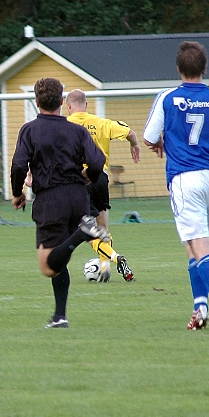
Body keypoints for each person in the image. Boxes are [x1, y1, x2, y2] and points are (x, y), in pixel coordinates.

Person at [144, 41, 209, 331]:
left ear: (178, 69)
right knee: (192, 245)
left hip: (186, 178)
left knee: (199, 245)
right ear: (204, 68)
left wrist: (161, 142)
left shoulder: (168, 98)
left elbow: (149, 138)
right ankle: (200, 309)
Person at [11, 78, 110, 328]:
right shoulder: (77, 130)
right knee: (59, 254)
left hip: (50, 199)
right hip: (78, 197)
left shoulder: (30, 130)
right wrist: (86, 177)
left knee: (47, 266)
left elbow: (19, 165)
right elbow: (98, 161)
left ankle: (82, 234)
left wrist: (17, 192)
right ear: (62, 101)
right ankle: (60, 316)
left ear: (36, 101)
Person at [65, 89, 139, 282]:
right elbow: (130, 132)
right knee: (103, 227)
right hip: (101, 178)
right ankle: (104, 269)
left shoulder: (64, 126)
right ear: (86, 105)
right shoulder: (102, 123)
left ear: (68, 106)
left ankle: (115, 258)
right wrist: (134, 145)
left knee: (87, 230)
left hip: (80, 180)